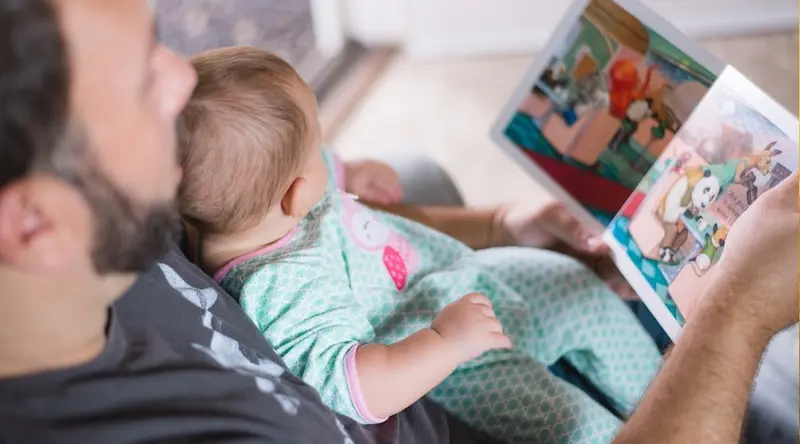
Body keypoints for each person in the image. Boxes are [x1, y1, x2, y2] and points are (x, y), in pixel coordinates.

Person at [0, 0, 795, 443]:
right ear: (35, 224)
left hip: (451, 293)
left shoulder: (144, 207)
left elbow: (328, 217)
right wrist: (739, 311)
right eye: (142, 86)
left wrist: (492, 222)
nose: (181, 77)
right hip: (469, 378)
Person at [177, 46, 662, 443]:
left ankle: (661, 396)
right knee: (575, 427)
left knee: (573, 282)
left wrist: (350, 171)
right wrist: (445, 343)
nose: (327, 153)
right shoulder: (281, 287)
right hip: (457, 362)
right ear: (296, 192)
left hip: (456, 278)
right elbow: (356, 386)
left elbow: (305, 172)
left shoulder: (263, 205)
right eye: (318, 146)